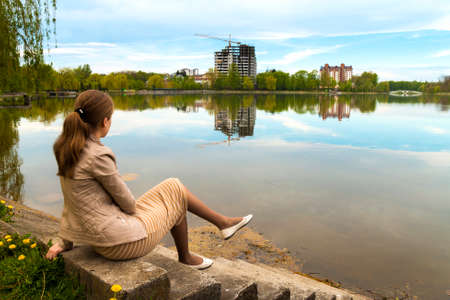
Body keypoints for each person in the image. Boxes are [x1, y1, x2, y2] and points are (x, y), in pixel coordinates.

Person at [45, 90, 252, 269]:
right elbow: (127, 203)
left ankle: (222, 224)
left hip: (98, 237)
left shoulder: (67, 148)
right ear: (105, 122)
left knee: (173, 185)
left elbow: (72, 200)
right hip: (119, 244)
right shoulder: (98, 155)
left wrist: (66, 241)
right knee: (177, 198)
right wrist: (139, 212)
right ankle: (188, 256)